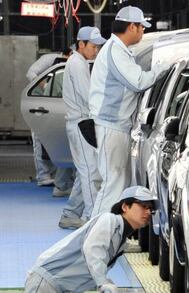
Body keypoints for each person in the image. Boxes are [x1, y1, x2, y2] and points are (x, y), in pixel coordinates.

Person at [89, 5, 169, 217]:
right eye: (142, 27)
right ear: (132, 27)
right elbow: (138, 81)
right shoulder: (115, 51)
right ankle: (93, 237)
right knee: (112, 186)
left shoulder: (120, 51)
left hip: (117, 126)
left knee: (117, 185)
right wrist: (161, 69)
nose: (143, 31)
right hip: (111, 126)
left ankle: (108, 237)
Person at [24, 185, 158, 293]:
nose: (148, 212)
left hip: (61, 287)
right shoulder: (108, 220)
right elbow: (93, 250)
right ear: (124, 207)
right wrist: (103, 282)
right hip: (47, 282)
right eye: (143, 205)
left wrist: (105, 283)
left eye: (150, 209)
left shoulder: (121, 241)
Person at [58, 26, 106, 229]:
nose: (95, 50)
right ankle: (92, 219)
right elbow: (88, 96)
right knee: (89, 172)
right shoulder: (77, 64)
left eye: (97, 46)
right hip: (81, 122)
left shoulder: (79, 62)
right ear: (81, 44)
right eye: (93, 46)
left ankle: (70, 214)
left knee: (83, 171)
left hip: (80, 122)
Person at [26, 48, 76, 197]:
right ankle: (42, 176)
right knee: (39, 141)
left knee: (56, 143)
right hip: (40, 103)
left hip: (57, 105)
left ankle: (57, 178)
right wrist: (46, 86)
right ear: (68, 53)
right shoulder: (50, 60)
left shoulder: (72, 66)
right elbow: (30, 73)